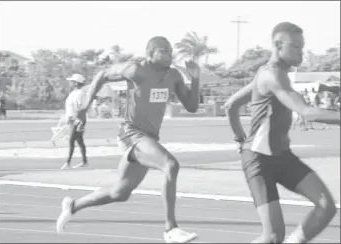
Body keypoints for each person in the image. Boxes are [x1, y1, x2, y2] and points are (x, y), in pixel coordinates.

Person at [56, 36, 200, 243]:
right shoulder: (136, 70)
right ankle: (171, 229)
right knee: (170, 165)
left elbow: (192, 107)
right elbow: (102, 74)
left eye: (170, 50)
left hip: (148, 138)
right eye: (164, 50)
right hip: (130, 133)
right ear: (151, 54)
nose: (170, 54)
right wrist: (83, 108)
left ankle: (73, 206)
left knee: (120, 193)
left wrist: (195, 78)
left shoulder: (174, 76)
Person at [225, 22, 339, 244]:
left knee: (326, 207)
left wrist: (239, 139)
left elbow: (231, 105)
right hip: (259, 160)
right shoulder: (272, 75)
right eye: (295, 46)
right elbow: (307, 112)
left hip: (283, 158)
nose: (301, 52)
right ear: (278, 45)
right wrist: (244, 144)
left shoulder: (267, 75)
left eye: (302, 46)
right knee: (272, 237)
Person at [60, 73, 88, 170]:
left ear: (76, 83)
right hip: (73, 119)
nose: (70, 83)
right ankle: (85, 161)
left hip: (77, 119)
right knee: (79, 141)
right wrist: (68, 118)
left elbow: (80, 108)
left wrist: (80, 121)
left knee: (72, 140)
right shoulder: (74, 93)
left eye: (72, 81)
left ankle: (68, 163)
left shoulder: (80, 93)